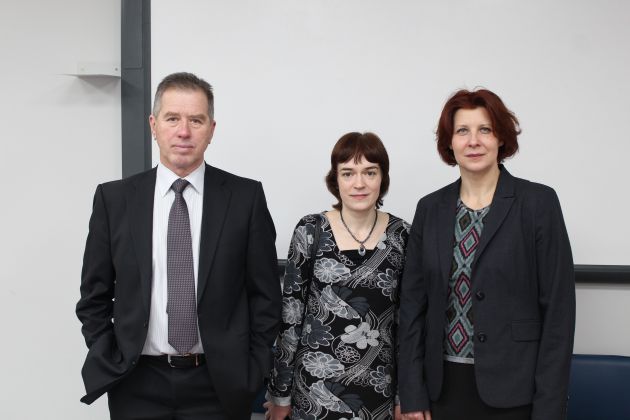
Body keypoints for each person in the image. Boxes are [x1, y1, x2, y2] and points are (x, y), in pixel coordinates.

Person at [76, 72, 281, 420]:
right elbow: (93, 296)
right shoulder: (115, 200)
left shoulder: (245, 199)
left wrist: (253, 367)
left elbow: (265, 296)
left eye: (196, 120)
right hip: (136, 384)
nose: (184, 131)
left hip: (219, 386)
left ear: (211, 129)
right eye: (172, 118)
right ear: (153, 125)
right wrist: (108, 353)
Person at [398, 88, 576, 420]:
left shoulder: (537, 203)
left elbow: (559, 314)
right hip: (441, 392)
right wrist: (411, 394)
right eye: (462, 131)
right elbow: (412, 308)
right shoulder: (430, 208)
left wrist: (549, 409)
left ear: (501, 138)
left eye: (485, 129)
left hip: (516, 391)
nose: (473, 141)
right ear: (450, 142)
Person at [265, 132, 408, 420]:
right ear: (336, 179)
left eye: (370, 172)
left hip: (378, 393)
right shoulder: (311, 230)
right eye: (348, 173)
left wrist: (405, 396)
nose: (359, 183)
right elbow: (291, 318)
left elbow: (406, 325)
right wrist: (280, 394)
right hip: (312, 393)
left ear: (382, 177)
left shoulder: (403, 235)